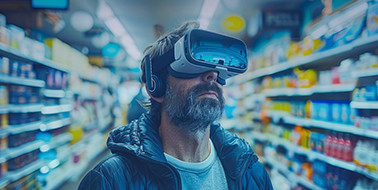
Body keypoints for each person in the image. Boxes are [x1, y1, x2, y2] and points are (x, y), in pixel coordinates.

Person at [78, 21, 273, 190]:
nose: (212, 75)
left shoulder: (250, 172)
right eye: (193, 65)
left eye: (215, 69)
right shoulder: (110, 180)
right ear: (156, 86)